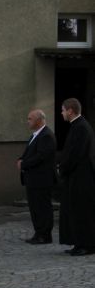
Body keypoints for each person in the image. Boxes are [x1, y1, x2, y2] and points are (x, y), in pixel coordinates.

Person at [58, 98, 95, 256]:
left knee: (82, 212)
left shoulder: (80, 127)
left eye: (63, 110)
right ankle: (79, 243)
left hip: (81, 178)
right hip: (77, 176)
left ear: (70, 110)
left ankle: (86, 245)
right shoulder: (78, 126)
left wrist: (62, 168)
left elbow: (75, 154)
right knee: (76, 211)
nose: (62, 113)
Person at [17, 110, 57, 245]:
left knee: (42, 208)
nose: (27, 121)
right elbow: (29, 152)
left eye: (30, 119)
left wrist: (24, 164)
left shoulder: (46, 135)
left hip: (41, 179)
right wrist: (21, 159)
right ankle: (38, 233)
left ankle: (45, 235)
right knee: (35, 208)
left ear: (39, 120)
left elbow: (40, 157)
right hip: (32, 179)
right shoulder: (35, 135)